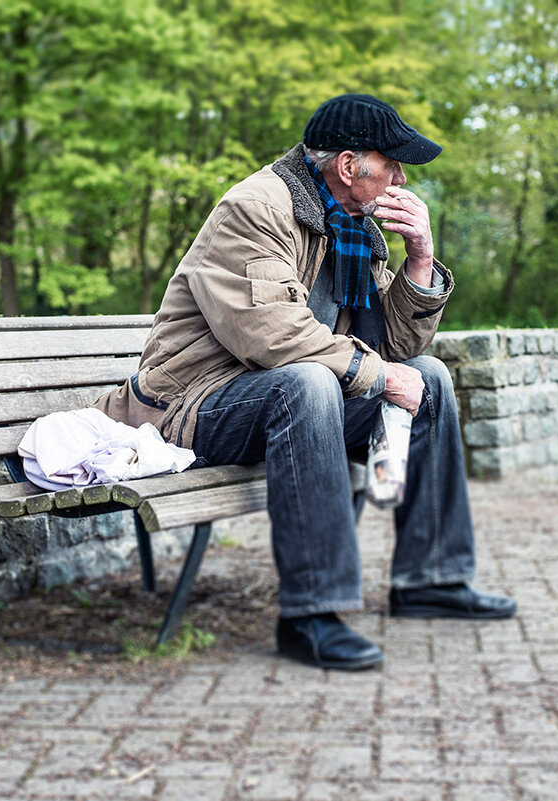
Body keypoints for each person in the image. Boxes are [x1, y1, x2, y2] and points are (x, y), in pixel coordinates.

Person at [95, 94, 516, 670]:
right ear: (348, 166)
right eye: (390, 164)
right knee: (310, 384)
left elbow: (394, 348)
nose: (400, 178)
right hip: (192, 406)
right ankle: (310, 613)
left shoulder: (355, 230)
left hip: (277, 399)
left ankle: (431, 579)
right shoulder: (256, 207)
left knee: (431, 380)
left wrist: (420, 259)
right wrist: (375, 375)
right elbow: (269, 334)